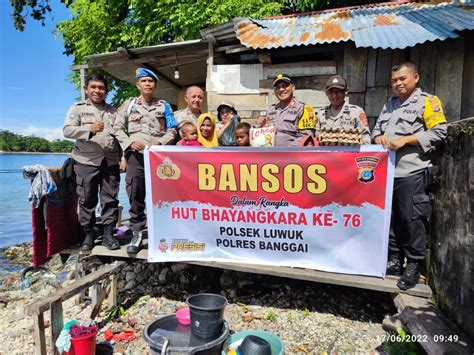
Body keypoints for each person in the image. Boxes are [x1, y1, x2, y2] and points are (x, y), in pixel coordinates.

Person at [372, 62, 447, 290]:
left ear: (416, 77)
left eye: (403, 79)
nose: (398, 83)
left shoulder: (427, 102)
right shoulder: (390, 105)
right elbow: (376, 132)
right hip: (388, 173)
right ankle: (394, 260)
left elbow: (440, 131)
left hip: (411, 171)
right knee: (392, 218)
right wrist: (379, 139)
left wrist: (407, 139)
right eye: (394, 80)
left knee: (412, 219)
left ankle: (413, 265)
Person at [114, 67, 178, 254]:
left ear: (155, 85)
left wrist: (159, 142)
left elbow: (172, 130)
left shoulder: (164, 105)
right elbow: (117, 128)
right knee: (135, 192)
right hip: (135, 157)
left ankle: (162, 231)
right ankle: (137, 232)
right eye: (144, 81)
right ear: (137, 84)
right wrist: (129, 142)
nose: (148, 84)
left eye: (151, 81)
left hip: (158, 157)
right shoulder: (129, 105)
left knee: (162, 195)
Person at [63, 73, 121, 251]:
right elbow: (67, 131)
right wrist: (89, 129)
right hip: (86, 161)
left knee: (110, 200)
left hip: (110, 161)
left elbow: (120, 136)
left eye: (101, 87)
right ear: (86, 89)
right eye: (93, 87)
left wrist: (123, 157)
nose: (97, 90)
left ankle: (108, 235)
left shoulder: (114, 111)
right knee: (87, 199)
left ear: (106, 90)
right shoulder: (77, 108)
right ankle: (88, 234)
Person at [256, 74, 316, 146]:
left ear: (293, 88)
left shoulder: (304, 109)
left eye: (285, 86)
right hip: (270, 153)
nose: (281, 89)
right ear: (274, 91)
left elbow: (305, 137)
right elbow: (264, 135)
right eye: (278, 87)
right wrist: (260, 126)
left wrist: (287, 152)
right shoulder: (271, 110)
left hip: (292, 154)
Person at [316, 75, 371, 144]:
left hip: (349, 154)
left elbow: (366, 138)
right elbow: (315, 138)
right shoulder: (321, 114)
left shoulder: (356, 112)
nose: (334, 96)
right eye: (331, 92)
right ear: (326, 93)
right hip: (327, 154)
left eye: (338, 92)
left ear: (345, 92)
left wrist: (359, 142)